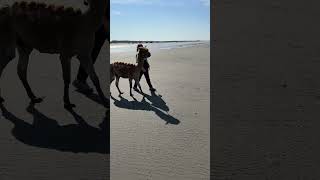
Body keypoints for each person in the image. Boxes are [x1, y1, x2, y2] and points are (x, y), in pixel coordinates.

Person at [72, 3, 110, 94]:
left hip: (105, 23)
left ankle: (80, 80)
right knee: (92, 52)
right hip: (101, 24)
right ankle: (80, 80)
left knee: (93, 52)